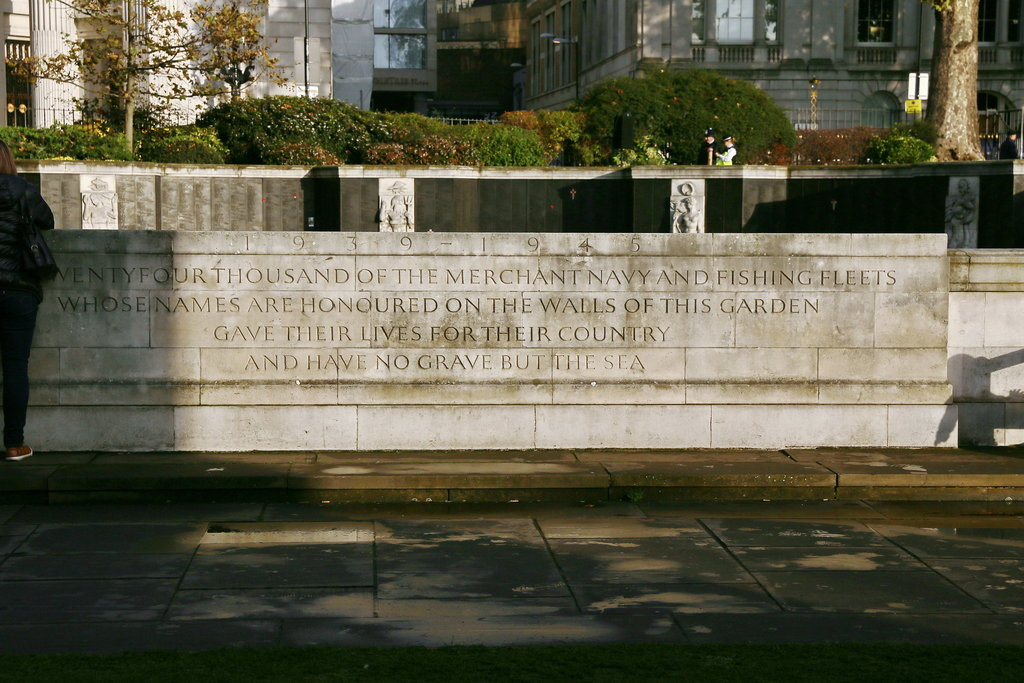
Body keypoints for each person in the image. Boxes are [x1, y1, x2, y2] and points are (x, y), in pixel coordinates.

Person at [0, 140, 54, 461]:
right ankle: (14, 444)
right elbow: (47, 221)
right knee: (16, 367)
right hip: (18, 290)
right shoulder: (22, 188)